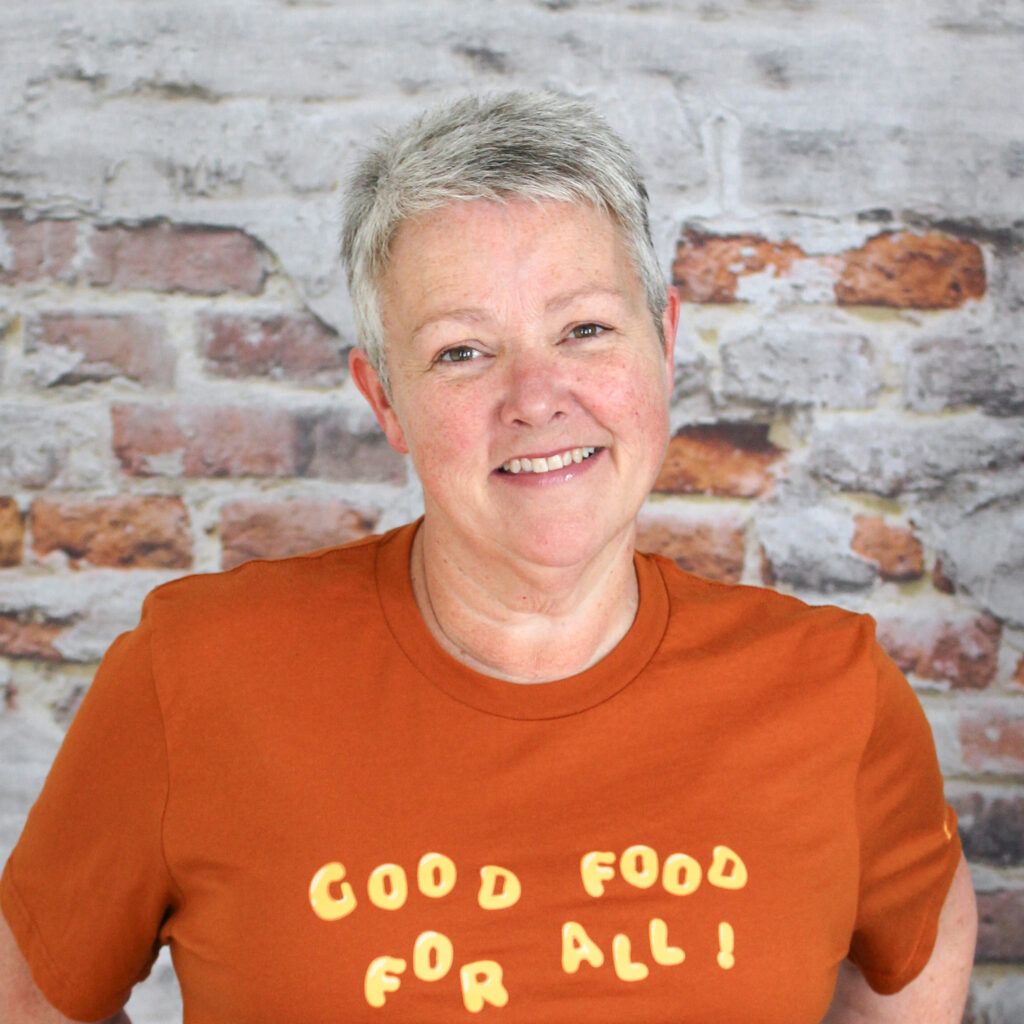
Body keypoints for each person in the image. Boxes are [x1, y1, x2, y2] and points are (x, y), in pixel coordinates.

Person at [1, 92, 976, 1023]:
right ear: (384, 399)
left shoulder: (829, 689)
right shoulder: (194, 673)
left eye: (584, 329)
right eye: (463, 351)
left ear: (664, 346)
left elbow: (918, 948)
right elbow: (31, 995)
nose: (537, 396)